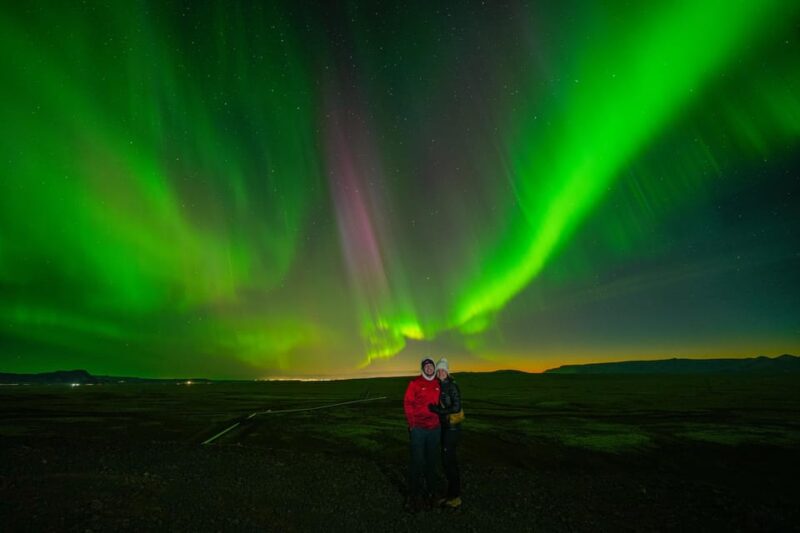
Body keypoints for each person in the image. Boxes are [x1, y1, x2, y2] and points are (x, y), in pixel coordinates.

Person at [403, 356, 441, 511]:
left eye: (431, 366)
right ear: (422, 369)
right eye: (426, 367)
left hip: (435, 429)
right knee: (417, 463)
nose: (429, 368)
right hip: (418, 429)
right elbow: (408, 403)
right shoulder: (415, 384)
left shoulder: (439, 383)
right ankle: (415, 496)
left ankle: (432, 493)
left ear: (434, 368)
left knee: (432, 462)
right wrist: (412, 424)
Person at [429, 358, 462, 509]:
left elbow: (456, 407)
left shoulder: (452, 386)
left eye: (443, 370)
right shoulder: (439, 385)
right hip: (446, 427)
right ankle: (450, 493)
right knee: (447, 460)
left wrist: (439, 411)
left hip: (452, 428)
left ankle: (455, 497)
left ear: (447, 372)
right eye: (439, 370)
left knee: (449, 462)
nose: (441, 372)